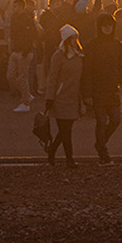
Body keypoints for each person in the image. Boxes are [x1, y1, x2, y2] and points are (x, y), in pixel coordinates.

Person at [82, 13, 122, 164]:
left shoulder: (118, 45)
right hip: (97, 89)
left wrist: (117, 79)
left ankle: (100, 143)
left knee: (116, 120)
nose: (107, 28)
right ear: (99, 27)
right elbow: (86, 71)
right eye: (104, 25)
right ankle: (103, 152)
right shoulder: (92, 45)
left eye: (110, 25)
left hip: (112, 88)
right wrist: (87, 93)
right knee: (101, 121)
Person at [43, 25, 83, 168]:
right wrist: (50, 97)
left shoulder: (79, 54)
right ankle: (69, 159)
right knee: (66, 131)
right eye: (72, 38)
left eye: (75, 38)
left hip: (73, 98)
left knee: (65, 130)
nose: (75, 41)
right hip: (60, 98)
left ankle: (52, 151)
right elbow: (52, 78)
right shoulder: (58, 56)